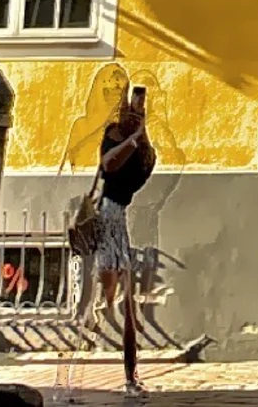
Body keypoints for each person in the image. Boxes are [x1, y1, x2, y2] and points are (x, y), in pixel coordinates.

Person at [93, 79, 157, 392]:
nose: (134, 108)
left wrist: (141, 137)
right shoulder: (113, 135)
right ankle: (100, 306)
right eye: (130, 102)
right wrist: (132, 138)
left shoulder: (142, 143)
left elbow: (143, 171)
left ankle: (131, 375)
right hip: (107, 214)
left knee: (128, 298)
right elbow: (108, 165)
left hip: (120, 216)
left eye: (139, 104)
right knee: (111, 289)